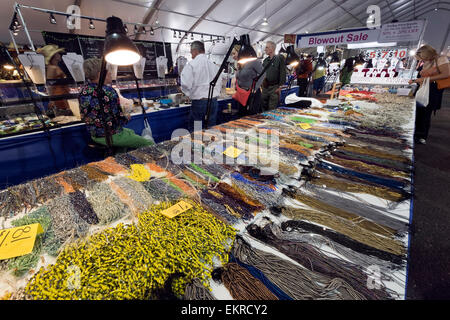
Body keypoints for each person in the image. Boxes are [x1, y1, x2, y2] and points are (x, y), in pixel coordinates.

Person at [79, 58, 153, 150]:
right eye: (108, 71)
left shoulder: (83, 91)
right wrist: (126, 117)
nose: (110, 73)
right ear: (100, 74)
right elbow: (119, 119)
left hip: (94, 135)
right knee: (149, 143)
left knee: (130, 132)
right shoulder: (108, 91)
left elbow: (84, 116)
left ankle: (120, 158)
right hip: (110, 135)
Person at [409, 44, 450, 145]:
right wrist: (417, 80)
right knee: (418, 111)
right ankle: (415, 133)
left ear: (428, 54)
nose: (422, 60)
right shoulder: (428, 61)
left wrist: (425, 79)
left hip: (432, 90)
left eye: (423, 58)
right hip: (423, 87)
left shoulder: (441, 59)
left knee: (425, 112)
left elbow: (446, 74)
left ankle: (421, 136)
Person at [180, 41, 222, 130]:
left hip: (199, 103)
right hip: (213, 101)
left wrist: (188, 93)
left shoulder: (191, 65)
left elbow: (185, 84)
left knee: (197, 129)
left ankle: (198, 143)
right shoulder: (214, 65)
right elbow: (220, 82)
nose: (191, 55)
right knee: (210, 127)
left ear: (195, 51)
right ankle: (210, 143)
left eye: (191, 52)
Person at [36, 44, 72, 116]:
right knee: (64, 115)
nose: (59, 55)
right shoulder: (52, 68)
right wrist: (51, 99)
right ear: (54, 56)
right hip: (58, 97)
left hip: (62, 96)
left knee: (66, 114)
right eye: (57, 53)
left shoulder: (55, 67)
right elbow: (50, 84)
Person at [235, 45, 264, 116]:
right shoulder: (241, 63)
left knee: (251, 116)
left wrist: (256, 87)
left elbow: (263, 74)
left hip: (252, 94)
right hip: (242, 94)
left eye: (234, 53)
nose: (233, 56)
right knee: (241, 115)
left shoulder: (254, 61)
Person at [261, 41, 286, 111]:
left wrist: (280, 87)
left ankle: (270, 121)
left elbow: (283, 72)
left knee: (272, 108)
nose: (265, 49)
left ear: (272, 48)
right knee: (263, 105)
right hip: (265, 87)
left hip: (274, 87)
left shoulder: (279, 58)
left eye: (267, 47)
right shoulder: (265, 61)